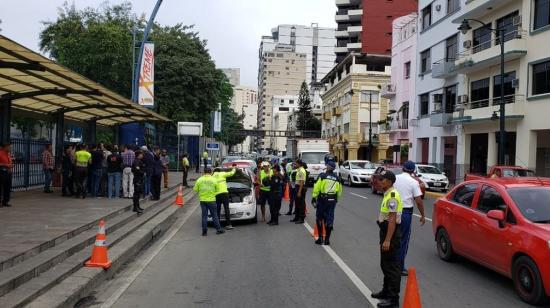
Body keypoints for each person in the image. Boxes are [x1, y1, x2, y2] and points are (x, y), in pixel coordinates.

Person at [371, 170, 403, 308]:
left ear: (389, 182)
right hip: (385, 231)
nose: (379, 181)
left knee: (391, 267)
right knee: (385, 264)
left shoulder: (392, 196)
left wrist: (388, 240)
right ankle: (386, 291)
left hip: (391, 233)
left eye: (382, 180)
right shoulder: (387, 193)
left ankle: (393, 300)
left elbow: (391, 219)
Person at [394, 161, 425, 276]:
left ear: (403, 168)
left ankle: (391, 264)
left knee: (391, 238)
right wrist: (422, 215)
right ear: (413, 171)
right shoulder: (413, 182)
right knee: (403, 241)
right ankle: (400, 267)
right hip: (405, 213)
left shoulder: (395, 178)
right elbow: (418, 201)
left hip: (392, 212)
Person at [311, 161, 342, 245]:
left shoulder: (322, 176)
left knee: (319, 218)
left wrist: (314, 197)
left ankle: (320, 238)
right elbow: (339, 192)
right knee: (329, 219)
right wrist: (336, 200)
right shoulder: (337, 178)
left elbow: (317, 187)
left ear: (327, 167)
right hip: (332, 200)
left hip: (322, 199)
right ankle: (327, 240)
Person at [194, 167, 225, 236]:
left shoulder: (199, 179)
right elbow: (217, 190)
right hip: (211, 200)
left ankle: (204, 232)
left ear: (204, 172)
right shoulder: (214, 180)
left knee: (204, 216)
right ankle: (218, 229)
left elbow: (195, 189)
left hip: (203, 200)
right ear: (211, 172)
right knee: (215, 215)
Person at [291, 159, 307, 224]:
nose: (295, 165)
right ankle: (297, 217)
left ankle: (301, 218)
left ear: (299, 164)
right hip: (297, 187)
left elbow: (302, 182)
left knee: (301, 204)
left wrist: (299, 191)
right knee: (297, 203)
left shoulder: (301, 171)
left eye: (296, 164)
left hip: (300, 187)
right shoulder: (299, 170)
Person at [131, 151, 145, 215]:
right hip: (137, 179)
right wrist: (142, 172)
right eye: (141, 154)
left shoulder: (139, 161)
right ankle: (135, 207)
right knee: (136, 193)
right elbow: (136, 170)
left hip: (139, 179)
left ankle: (138, 206)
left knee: (138, 193)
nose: (142, 155)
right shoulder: (136, 161)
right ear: (138, 155)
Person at [0, 142, 13, 207]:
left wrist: (10, 166)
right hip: (2, 172)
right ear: (5, 147)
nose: (10, 148)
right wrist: (5, 165)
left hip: (8, 173)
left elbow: (10, 162)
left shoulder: (8, 154)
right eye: (9, 147)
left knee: (7, 188)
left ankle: (5, 201)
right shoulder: (0, 153)